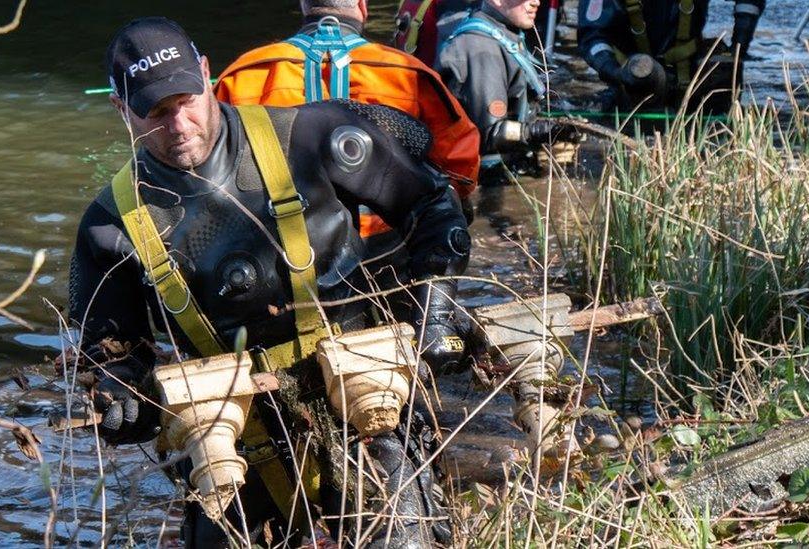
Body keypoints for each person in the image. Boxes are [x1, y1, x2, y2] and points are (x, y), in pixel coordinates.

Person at [69, 16, 471, 548]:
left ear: (208, 74)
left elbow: (434, 210)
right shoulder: (110, 223)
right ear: (121, 110)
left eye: (187, 99)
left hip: (365, 406)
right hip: (231, 439)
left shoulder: (310, 136)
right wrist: (123, 398)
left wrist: (435, 314)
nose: (179, 123)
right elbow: (109, 353)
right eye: (155, 112)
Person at [214, 0, 480, 239]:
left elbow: (216, 174)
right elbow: (461, 165)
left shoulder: (242, 75)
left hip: (287, 244)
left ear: (305, 6)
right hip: (389, 239)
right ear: (362, 6)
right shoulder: (408, 74)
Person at [436, 0, 575, 187]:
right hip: (483, 179)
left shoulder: (503, 32)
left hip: (505, 166)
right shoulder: (483, 50)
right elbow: (490, 134)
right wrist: (539, 132)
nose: (535, 2)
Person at [577, 0, 764, 112]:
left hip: (691, 75)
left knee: (722, 73)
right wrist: (615, 72)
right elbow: (592, 35)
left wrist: (738, 50)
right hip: (631, 80)